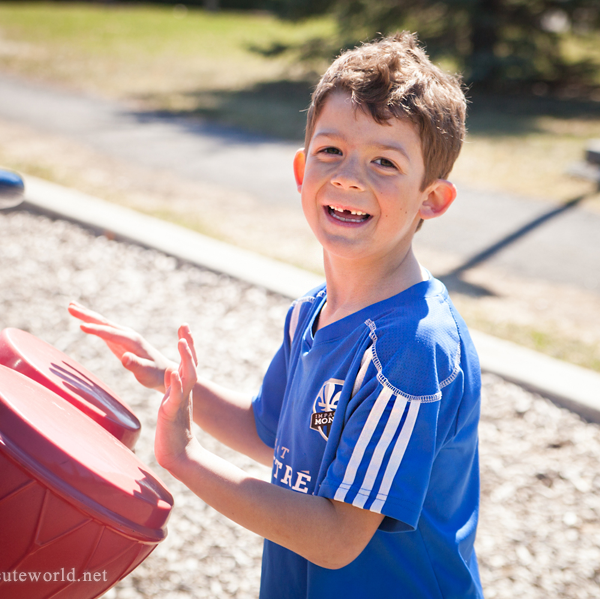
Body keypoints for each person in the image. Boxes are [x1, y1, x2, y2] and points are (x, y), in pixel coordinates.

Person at [69, 31, 482, 598]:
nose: (348, 176)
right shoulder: (312, 312)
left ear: (431, 200)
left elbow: (337, 537)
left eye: (384, 162)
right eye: (330, 151)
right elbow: (272, 436)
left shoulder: (410, 350)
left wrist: (186, 460)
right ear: (301, 168)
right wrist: (175, 379)